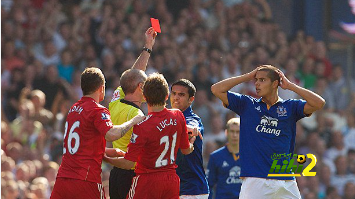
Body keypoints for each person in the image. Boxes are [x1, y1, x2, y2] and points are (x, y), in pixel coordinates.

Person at [211, 65, 326, 199]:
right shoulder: (247, 104)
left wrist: (290, 86)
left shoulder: (290, 107)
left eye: (262, 80)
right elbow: (216, 89)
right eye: (256, 80)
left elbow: (319, 103)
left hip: (284, 177)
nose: (257, 84)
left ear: (275, 84)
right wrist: (247, 76)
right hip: (255, 179)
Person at [50, 67, 144, 199]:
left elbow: (81, 145)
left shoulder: (73, 109)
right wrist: (134, 121)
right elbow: (111, 134)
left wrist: (105, 152)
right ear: (102, 88)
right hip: (85, 180)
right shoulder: (97, 110)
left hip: (63, 179)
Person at [104, 73, 196, 199]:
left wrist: (105, 159)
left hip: (147, 181)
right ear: (167, 96)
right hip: (171, 181)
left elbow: (128, 163)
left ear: (145, 97)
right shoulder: (178, 115)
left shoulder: (142, 126)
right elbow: (186, 150)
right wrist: (192, 142)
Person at [107, 27, 157, 199]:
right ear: (141, 87)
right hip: (132, 176)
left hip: (116, 175)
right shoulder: (137, 116)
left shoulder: (114, 100)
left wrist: (147, 47)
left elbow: (132, 76)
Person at [170, 79, 210, 198]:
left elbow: (192, 128)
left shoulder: (193, 119)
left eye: (181, 95)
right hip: (172, 187)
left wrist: (188, 128)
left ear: (191, 99)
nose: (176, 97)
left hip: (192, 189)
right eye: (174, 93)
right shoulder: (167, 118)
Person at [207, 118, 242, 199]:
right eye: (232, 131)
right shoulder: (215, 157)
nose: (235, 135)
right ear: (226, 133)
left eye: (238, 132)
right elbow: (208, 185)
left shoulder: (250, 156)